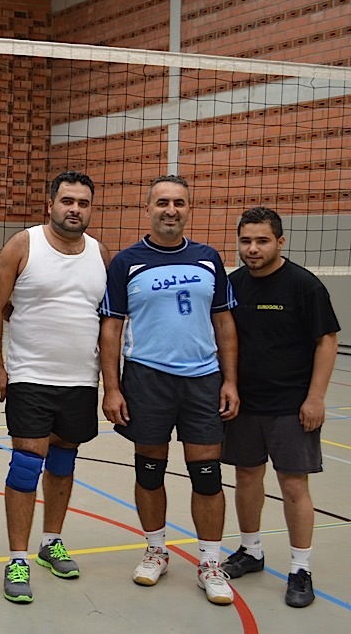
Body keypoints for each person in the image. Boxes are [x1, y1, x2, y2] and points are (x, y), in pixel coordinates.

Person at [99, 174, 240, 605]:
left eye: (178, 203)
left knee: (207, 475)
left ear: (188, 209)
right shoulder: (127, 262)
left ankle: (210, 563)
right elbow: (111, 329)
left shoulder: (208, 258)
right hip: (147, 378)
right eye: (162, 202)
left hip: (203, 379)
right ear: (148, 209)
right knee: (149, 470)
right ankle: (156, 550)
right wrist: (112, 388)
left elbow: (224, 323)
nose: (170, 210)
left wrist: (230, 380)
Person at [0, 170, 109, 604]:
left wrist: (111, 380)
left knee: (63, 462)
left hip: (81, 379)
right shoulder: (24, 245)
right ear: (50, 204)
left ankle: (51, 541)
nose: (75, 209)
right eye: (67, 201)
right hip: (30, 376)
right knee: (25, 464)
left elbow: (106, 319)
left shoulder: (99, 252)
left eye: (83, 203)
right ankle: (17, 558)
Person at [219, 207, 339, 608]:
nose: (252, 249)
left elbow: (326, 341)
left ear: (280, 242)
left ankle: (300, 569)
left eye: (262, 241)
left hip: (291, 405)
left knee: (293, 484)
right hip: (245, 404)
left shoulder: (304, 286)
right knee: (246, 476)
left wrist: (315, 397)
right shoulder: (233, 285)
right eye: (246, 241)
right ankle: (251, 551)